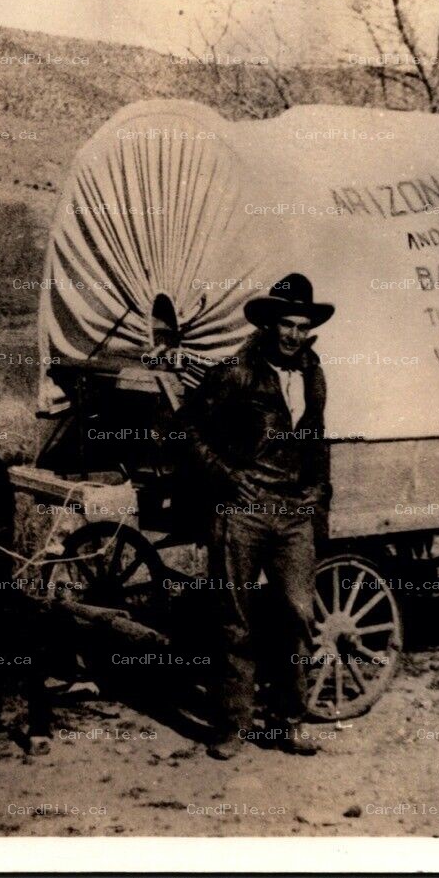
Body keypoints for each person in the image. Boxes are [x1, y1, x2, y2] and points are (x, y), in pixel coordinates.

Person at [178, 273, 334, 759]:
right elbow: (188, 431)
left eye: (301, 326)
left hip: (292, 514)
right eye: (285, 324)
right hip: (242, 510)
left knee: (296, 616)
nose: (292, 334)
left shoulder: (312, 370)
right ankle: (232, 726)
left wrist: (318, 497)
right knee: (235, 620)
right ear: (269, 325)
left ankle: (288, 722)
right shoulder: (234, 372)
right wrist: (226, 477)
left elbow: (316, 436)